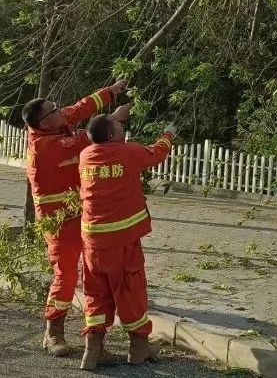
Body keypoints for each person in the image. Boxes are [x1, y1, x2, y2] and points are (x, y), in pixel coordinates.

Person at [21, 80, 128, 356]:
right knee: (66, 274)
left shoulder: (54, 121)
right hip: (58, 220)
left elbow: (80, 108)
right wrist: (113, 120)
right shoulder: (44, 146)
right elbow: (84, 139)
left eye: (56, 107)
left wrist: (111, 91)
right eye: (54, 110)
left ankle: (95, 337)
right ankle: (53, 331)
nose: (61, 111)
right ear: (43, 122)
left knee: (94, 271)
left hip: (83, 212)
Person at [77, 114, 176, 369]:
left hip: (92, 241)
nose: (123, 128)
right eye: (119, 126)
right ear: (111, 135)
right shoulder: (128, 152)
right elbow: (157, 153)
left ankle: (93, 349)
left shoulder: (86, 155)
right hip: (121, 240)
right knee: (131, 291)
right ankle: (139, 346)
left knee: (96, 293)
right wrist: (168, 134)